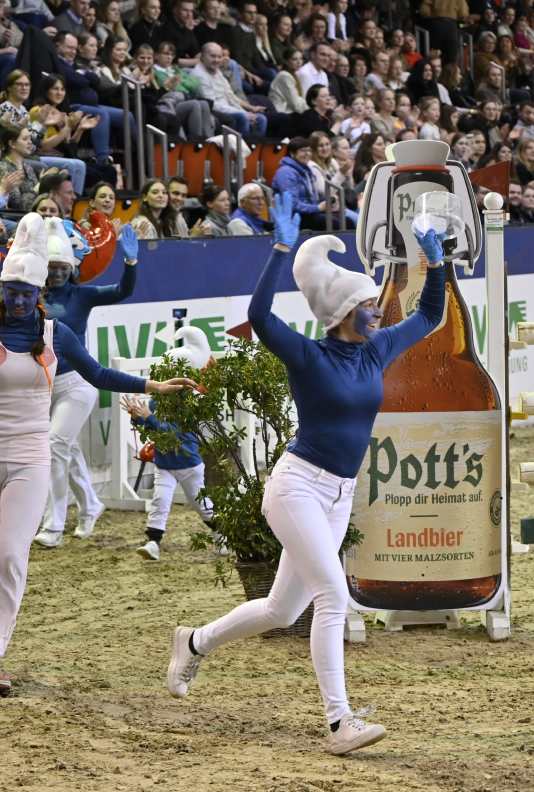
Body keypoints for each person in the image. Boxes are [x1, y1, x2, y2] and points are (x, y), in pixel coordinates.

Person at [166, 194, 449, 755]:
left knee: (282, 609)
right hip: (296, 486)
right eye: (369, 305)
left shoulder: (377, 349)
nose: (379, 312)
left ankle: (193, 643)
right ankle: (339, 722)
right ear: (343, 312)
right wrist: (277, 250)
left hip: (339, 495)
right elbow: (263, 315)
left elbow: (431, 315)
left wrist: (433, 263)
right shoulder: (307, 355)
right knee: (332, 596)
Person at [0, 213, 194, 692]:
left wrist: (152, 383)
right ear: (3, 290)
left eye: (26, 293)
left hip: (31, 457)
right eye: (10, 291)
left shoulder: (57, 335)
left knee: (11, 556)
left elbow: (98, 376)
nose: (17, 299)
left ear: (39, 296)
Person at [0, 213, 140, 545]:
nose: (58, 271)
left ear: (74, 267)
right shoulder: (31, 297)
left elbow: (122, 291)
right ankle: (90, 504)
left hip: (77, 385)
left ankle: (54, 525)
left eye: (64, 266)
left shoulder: (83, 296)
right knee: (63, 447)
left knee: (54, 445)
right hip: (43, 387)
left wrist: (130, 261)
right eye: (52, 266)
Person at [121, 327, 217, 560]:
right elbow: (153, 431)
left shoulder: (193, 403)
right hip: (165, 463)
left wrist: (147, 418)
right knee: (160, 501)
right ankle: (153, 542)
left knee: (201, 505)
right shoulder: (156, 400)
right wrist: (137, 418)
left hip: (189, 465)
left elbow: (175, 435)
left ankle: (221, 533)